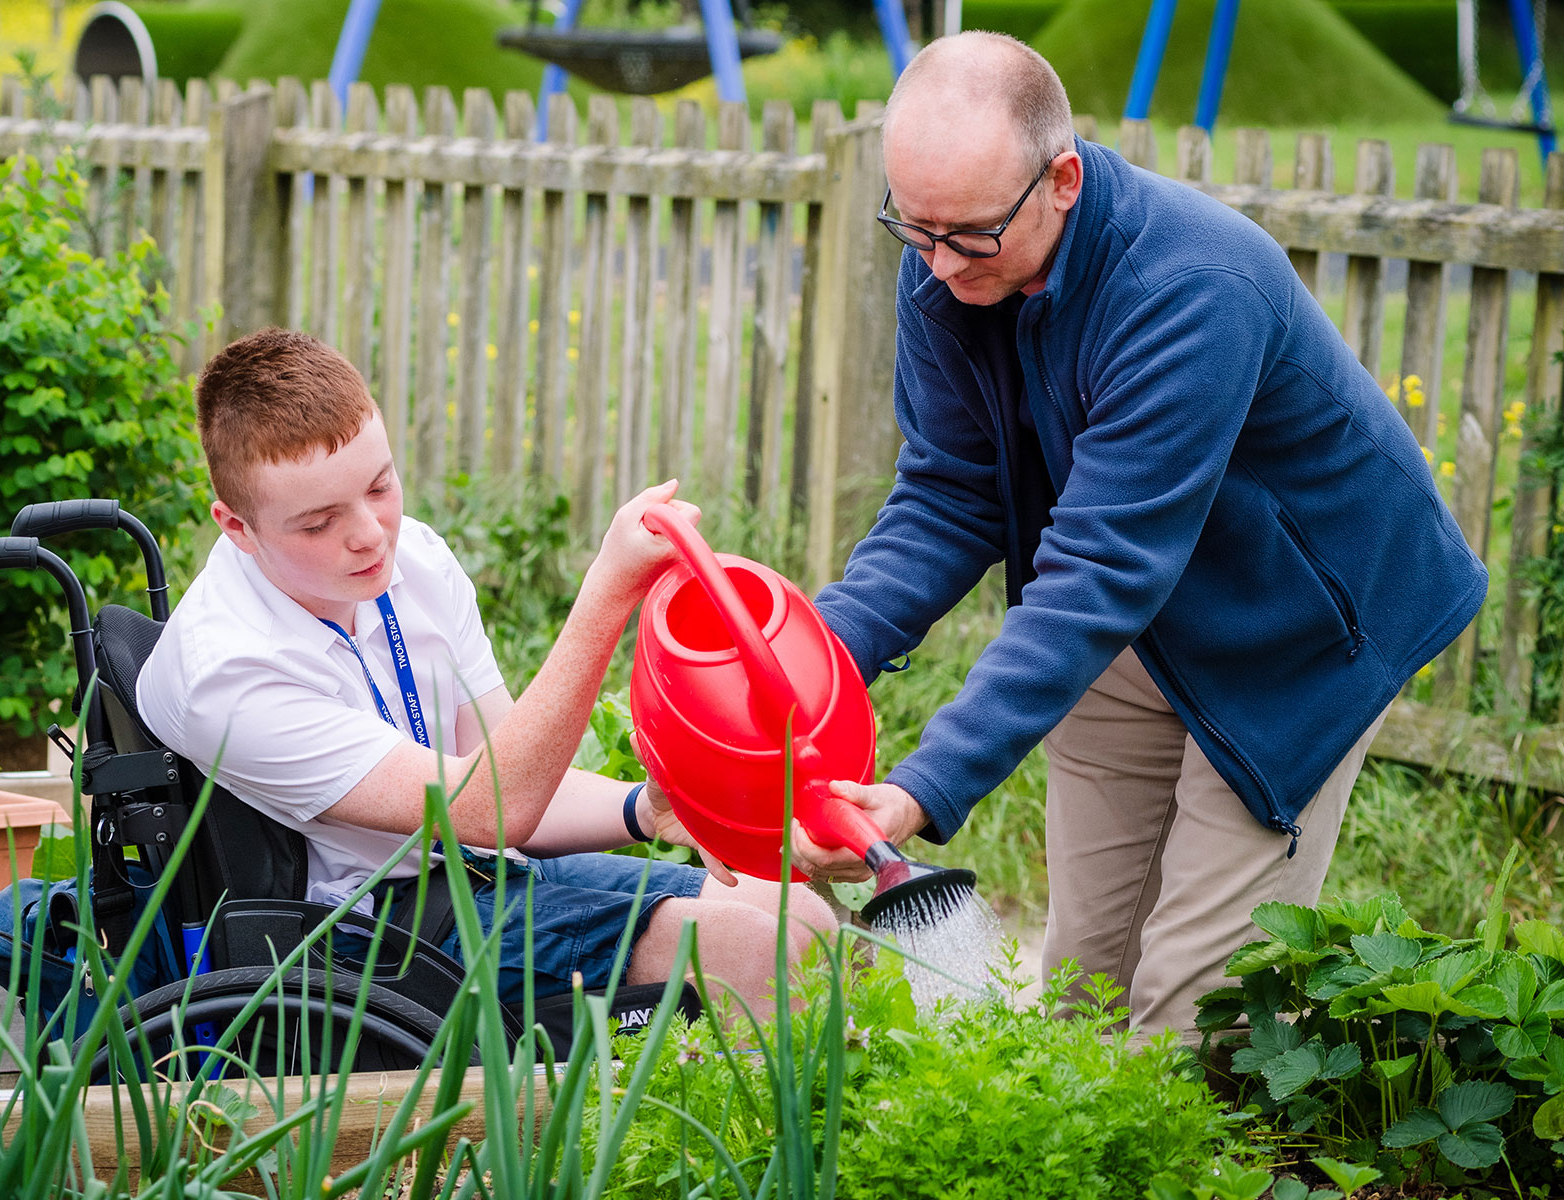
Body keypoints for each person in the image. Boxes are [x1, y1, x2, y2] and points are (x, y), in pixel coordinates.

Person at [791, 32, 1487, 1038]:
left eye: (970, 235)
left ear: (1061, 180)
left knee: (1190, 1007)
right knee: (1084, 984)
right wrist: (806, 664)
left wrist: (919, 789)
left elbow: (1096, 572)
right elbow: (949, 493)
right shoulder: (951, 263)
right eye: (917, 230)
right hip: (1130, 617)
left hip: (1291, 627)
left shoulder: (1191, 286)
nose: (939, 267)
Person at [138, 328, 835, 1013]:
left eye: (380, 485)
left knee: (805, 918)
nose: (371, 534)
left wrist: (646, 809)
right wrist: (608, 592)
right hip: (360, 935)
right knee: (751, 953)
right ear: (235, 526)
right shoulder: (226, 672)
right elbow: (491, 807)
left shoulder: (415, 557)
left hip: (476, 869)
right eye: (318, 524)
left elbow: (514, 780)